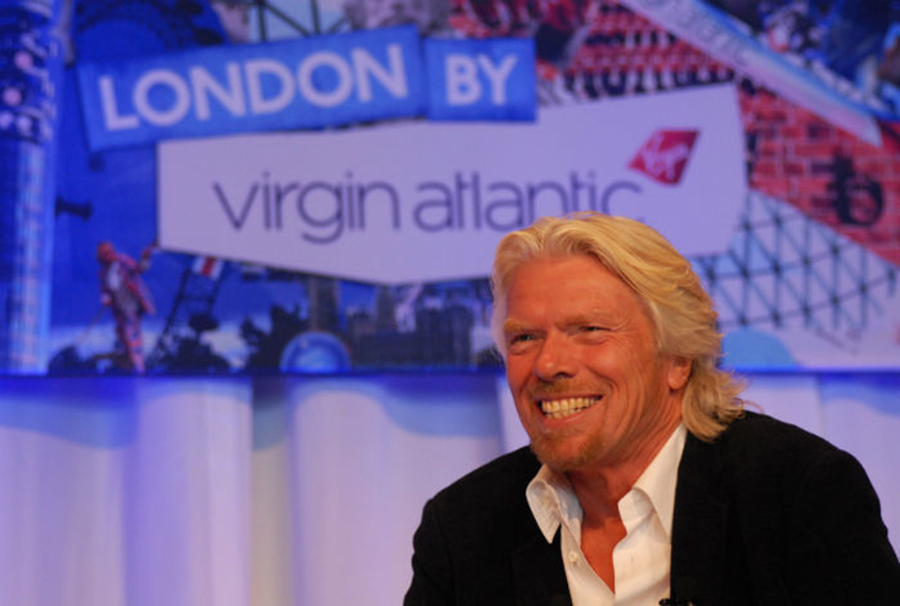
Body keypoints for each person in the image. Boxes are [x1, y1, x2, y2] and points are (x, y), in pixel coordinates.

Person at [404, 212, 900, 605]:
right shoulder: (462, 528)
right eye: (524, 338)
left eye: (589, 330)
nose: (549, 364)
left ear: (678, 358)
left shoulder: (798, 493)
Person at [97, 240, 155, 373]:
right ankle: (128, 361)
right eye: (104, 254)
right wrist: (106, 298)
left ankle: (138, 364)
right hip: (119, 308)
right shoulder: (104, 272)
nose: (107, 256)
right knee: (122, 333)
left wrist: (145, 258)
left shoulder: (123, 262)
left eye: (108, 252)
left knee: (132, 333)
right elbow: (106, 289)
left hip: (131, 305)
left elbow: (139, 268)